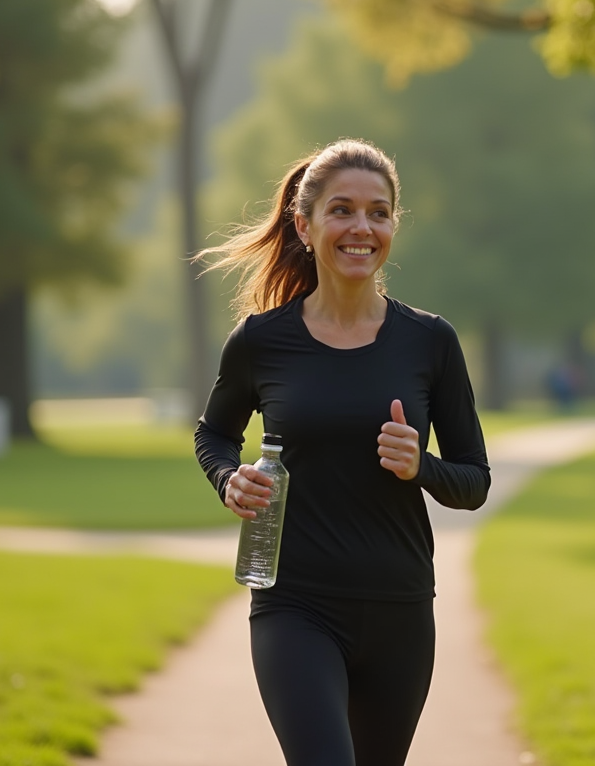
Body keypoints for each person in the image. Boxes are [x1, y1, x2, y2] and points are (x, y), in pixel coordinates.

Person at [193, 139, 490, 766]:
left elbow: (475, 481)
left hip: (399, 609)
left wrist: (421, 466)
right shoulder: (261, 341)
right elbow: (213, 434)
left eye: (379, 213)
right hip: (294, 605)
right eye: (342, 210)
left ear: (393, 227)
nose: (363, 227)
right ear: (305, 226)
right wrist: (227, 478)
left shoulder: (430, 341)